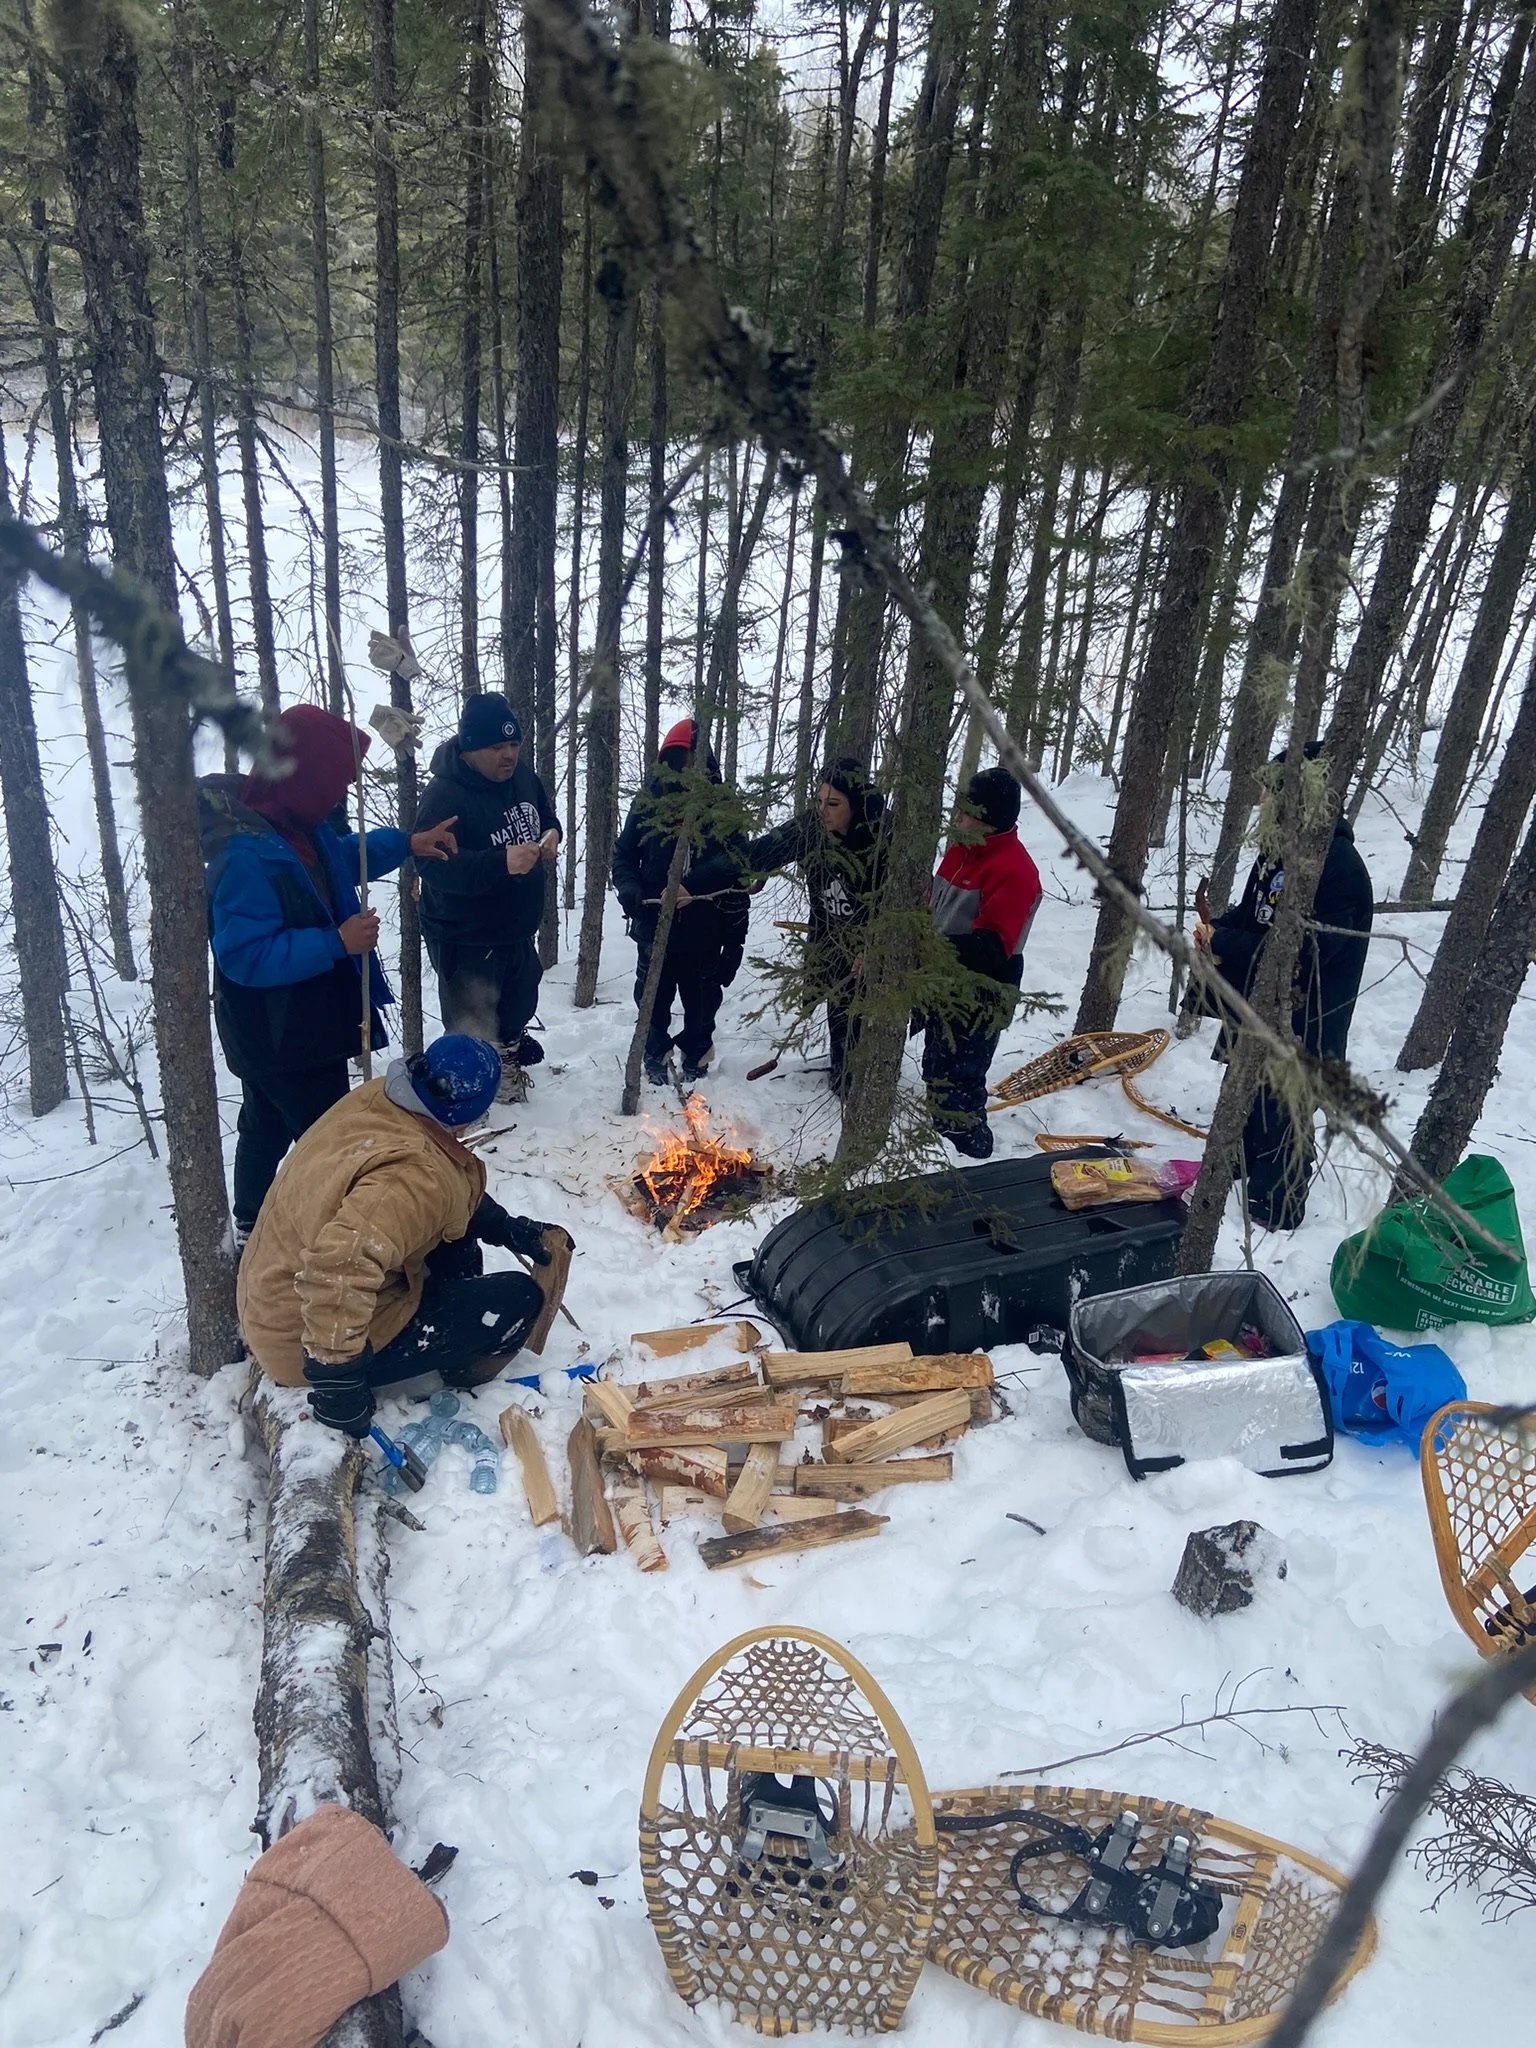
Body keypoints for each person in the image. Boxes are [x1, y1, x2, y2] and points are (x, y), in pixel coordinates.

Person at [200, 704, 459, 1245]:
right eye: (333, 782)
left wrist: (407, 844)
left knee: (264, 1122)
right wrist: (335, 942)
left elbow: (344, 855)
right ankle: (337, 1236)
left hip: (297, 1025)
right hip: (283, 1033)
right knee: (328, 1140)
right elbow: (243, 956)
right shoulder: (246, 854)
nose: (338, 795)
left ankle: (249, 1225)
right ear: (303, 774)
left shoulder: (294, 825)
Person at [238, 1033, 573, 1431]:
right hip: (300, 1338)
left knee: (455, 1236)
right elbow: (339, 1268)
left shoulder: (381, 1100)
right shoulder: (411, 1176)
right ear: (470, 1114)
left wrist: (501, 1225)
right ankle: (452, 1372)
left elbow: (435, 1184)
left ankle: (437, 1316)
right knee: (518, 1300)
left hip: (273, 1294)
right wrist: (336, 1379)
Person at [1201, 746, 1373, 1229]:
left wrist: (1226, 941)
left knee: (1286, 1110)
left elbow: (1302, 955)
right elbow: (1251, 913)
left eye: (1272, 791)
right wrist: (1213, 930)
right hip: (1257, 1006)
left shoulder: (1339, 868)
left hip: (1307, 1019)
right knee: (1249, 1095)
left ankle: (1278, 1203)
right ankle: (1240, 1169)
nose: (1261, 799)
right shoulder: (1276, 848)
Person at [413, 693, 560, 1103]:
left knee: (518, 1002)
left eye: (514, 745)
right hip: (467, 933)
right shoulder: (445, 795)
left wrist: (551, 835)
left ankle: (506, 1063)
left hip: (515, 927)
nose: (508, 755)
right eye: (497, 747)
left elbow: (546, 817)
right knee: (472, 1023)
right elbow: (433, 865)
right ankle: (469, 1100)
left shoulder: (524, 778)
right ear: (471, 747)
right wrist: (499, 863)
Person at [612, 718, 750, 1086]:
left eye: (695, 762)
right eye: (680, 761)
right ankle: (655, 1052)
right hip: (653, 928)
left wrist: (734, 943)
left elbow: (738, 876)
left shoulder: (723, 809)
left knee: (702, 1005)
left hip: (706, 936)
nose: (687, 771)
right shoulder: (649, 802)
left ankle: (696, 1052)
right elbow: (623, 855)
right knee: (651, 1001)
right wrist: (629, 890)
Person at [745, 757, 888, 1095]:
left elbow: (901, 904)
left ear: (855, 805)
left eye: (834, 804)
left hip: (873, 945)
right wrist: (749, 870)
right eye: (819, 802)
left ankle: (867, 1084)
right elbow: (765, 851)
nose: (824, 811)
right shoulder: (814, 827)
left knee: (865, 1017)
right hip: (832, 936)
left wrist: (874, 946)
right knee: (838, 1012)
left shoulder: (883, 837)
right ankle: (842, 1078)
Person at [923, 765, 1043, 1160]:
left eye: (965, 812)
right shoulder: (960, 850)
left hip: (981, 997)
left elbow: (993, 948)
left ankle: (972, 1155)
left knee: (962, 1085)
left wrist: (928, 948)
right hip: (942, 984)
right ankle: (941, 1146)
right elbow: (934, 903)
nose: (956, 820)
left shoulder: (1016, 871)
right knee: (937, 1070)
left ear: (988, 819)